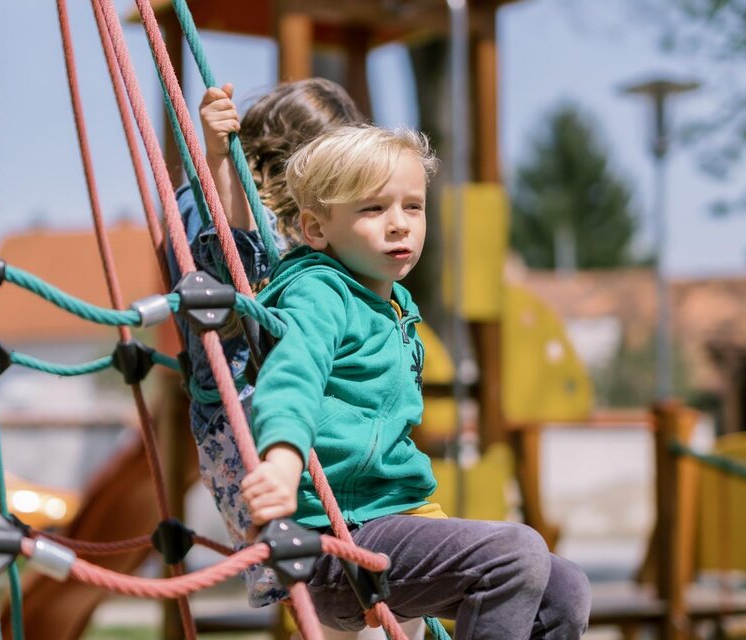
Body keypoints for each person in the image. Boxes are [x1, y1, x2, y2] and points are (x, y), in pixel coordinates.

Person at [241, 125, 593, 639]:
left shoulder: (396, 306)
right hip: (335, 544)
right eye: (372, 209)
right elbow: (292, 373)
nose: (399, 225)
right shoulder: (318, 294)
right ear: (316, 229)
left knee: (565, 589)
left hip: (392, 528)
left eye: (413, 207)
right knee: (515, 554)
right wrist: (283, 458)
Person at [166, 78, 365, 607]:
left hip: (305, 407)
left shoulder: (307, 220)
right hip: (248, 406)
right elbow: (229, 277)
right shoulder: (207, 197)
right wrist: (217, 156)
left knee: (378, 577)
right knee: (326, 577)